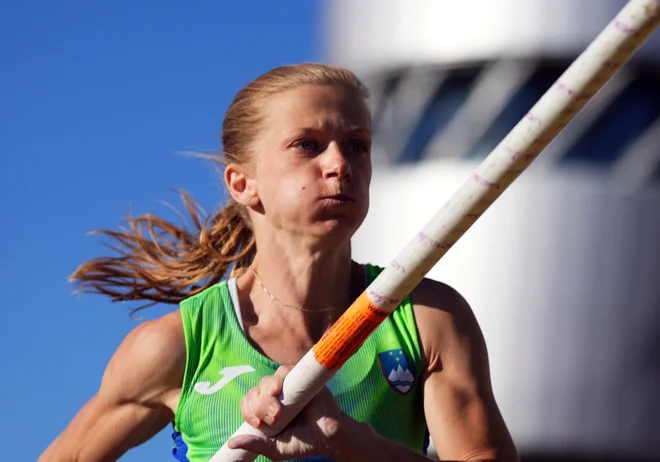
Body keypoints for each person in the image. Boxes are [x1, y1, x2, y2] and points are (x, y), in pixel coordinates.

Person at [39, 63, 519, 462]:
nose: (340, 164)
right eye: (307, 145)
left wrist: (350, 442)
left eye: (357, 145)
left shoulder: (426, 319)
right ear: (243, 184)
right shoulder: (176, 347)